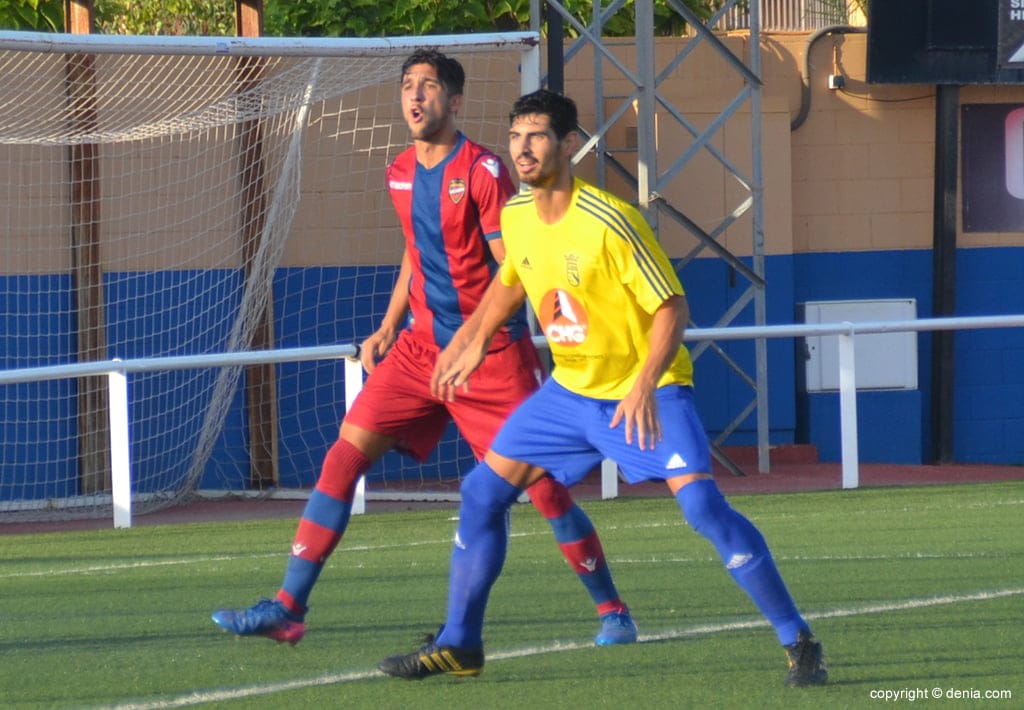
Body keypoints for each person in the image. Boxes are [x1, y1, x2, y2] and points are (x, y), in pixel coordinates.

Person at [377, 89, 828, 687]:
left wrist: (643, 384)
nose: (522, 148)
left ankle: (798, 639)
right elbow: (512, 282)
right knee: (482, 494)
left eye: (536, 136)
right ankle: (460, 642)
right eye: (515, 137)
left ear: (569, 144)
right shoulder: (515, 215)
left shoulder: (611, 221)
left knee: (701, 508)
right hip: (568, 397)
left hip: (647, 393)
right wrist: (471, 339)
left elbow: (672, 307)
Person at [211, 51, 636, 648]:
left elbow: (510, 266)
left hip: (490, 359)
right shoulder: (398, 171)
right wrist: (387, 326)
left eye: (429, 87)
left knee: (541, 488)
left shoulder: (485, 170)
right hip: (418, 350)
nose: (415, 97)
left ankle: (613, 610)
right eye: (408, 86)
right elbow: (416, 251)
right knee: (342, 457)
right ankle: (288, 606)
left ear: (454, 102)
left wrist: (480, 337)